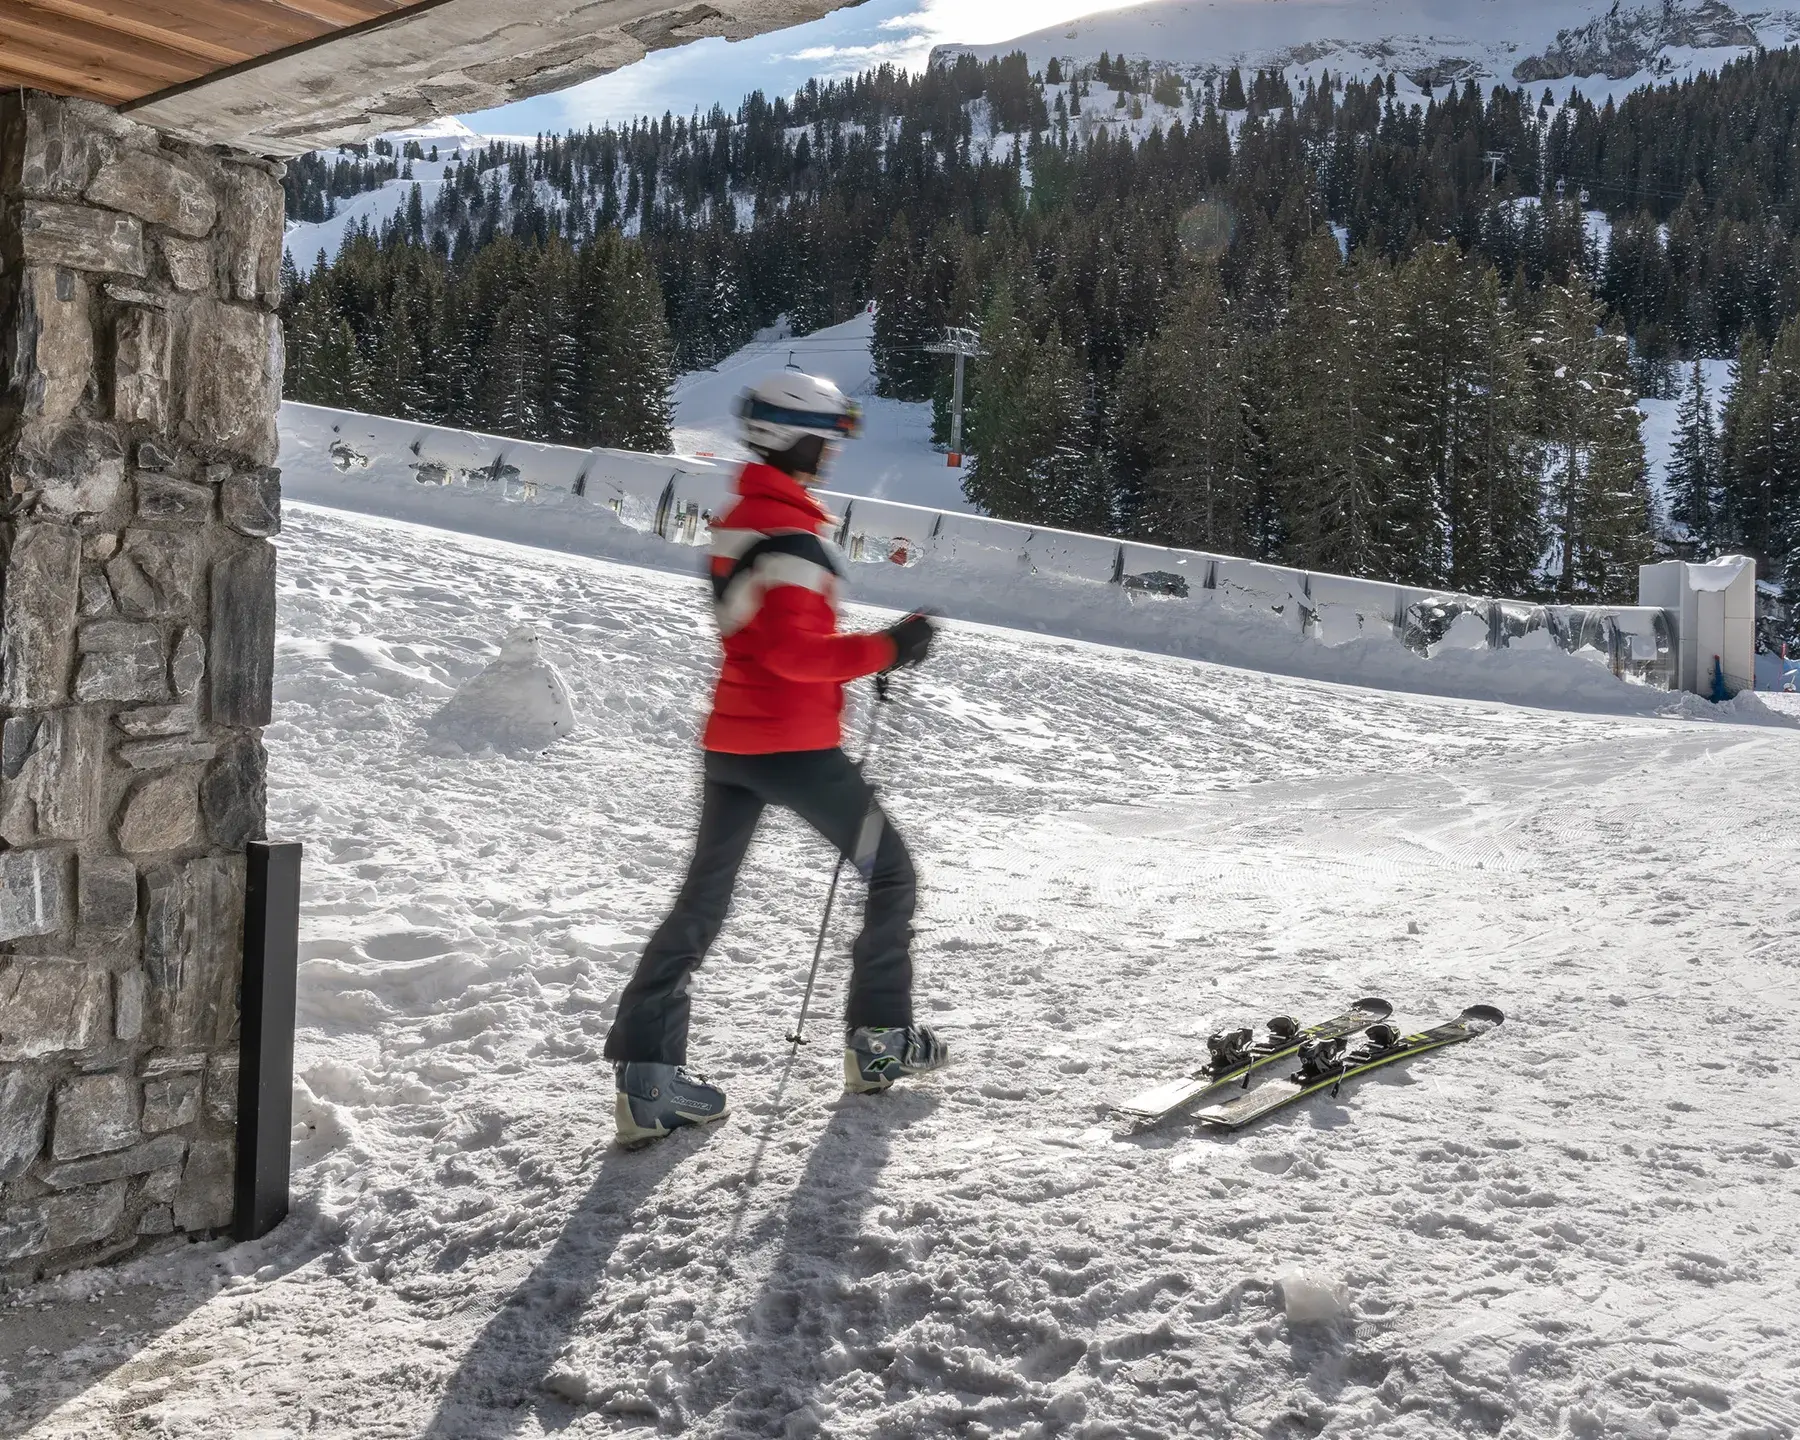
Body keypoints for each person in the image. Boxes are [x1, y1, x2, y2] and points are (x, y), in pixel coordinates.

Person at [603, 370, 948, 1146]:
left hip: (731, 743)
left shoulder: (747, 515)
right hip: (794, 746)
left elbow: (760, 642)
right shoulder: (790, 535)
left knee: (701, 902)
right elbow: (796, 656)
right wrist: (892, 645)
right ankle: (881, 1042)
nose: (829, 456)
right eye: (824, 440)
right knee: (890, 872)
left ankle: (648, 1080)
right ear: (791, 437)